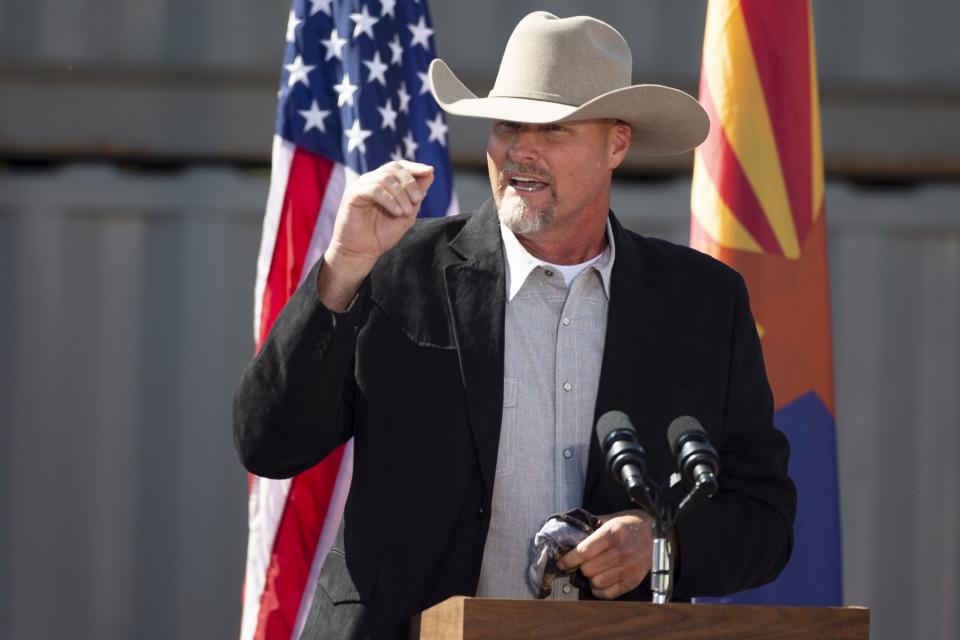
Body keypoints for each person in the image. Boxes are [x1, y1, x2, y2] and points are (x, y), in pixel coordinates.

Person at [234, 11, 796, 640]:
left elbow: (764, 516)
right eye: (506, 126)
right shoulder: (396, 270)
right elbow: (269, 444)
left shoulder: (703, 302)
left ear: (616, 143)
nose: (519, 149)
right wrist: (340, 270)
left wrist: (662, 542)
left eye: (551, 129)